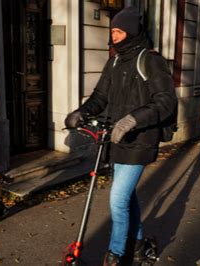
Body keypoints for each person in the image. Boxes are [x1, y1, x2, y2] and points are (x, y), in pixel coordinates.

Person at [64, 7, 177, 265]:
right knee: (128, 198)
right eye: (112, 31)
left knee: (117, 199)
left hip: (140, 139)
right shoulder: (114, 60)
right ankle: (138, 247)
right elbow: (100, 96)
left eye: (119, 31)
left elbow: (166, 101)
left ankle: (115, 254)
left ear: (132, 31)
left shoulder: (150, 60)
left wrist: (133, 119)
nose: (114, 36)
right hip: (116, 140)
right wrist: (81, 111)